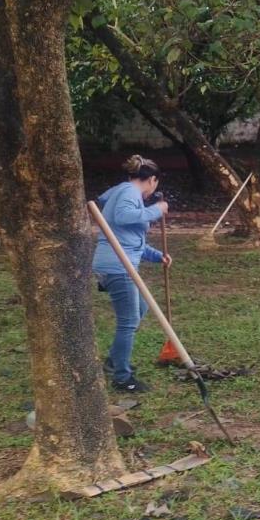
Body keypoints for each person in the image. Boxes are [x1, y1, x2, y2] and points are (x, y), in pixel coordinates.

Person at [92, 155, 171, 393]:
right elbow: (123, 218)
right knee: (128, 322)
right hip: (118, 266)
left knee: (140, 310)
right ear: (152, 180)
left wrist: (158, 256)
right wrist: (156, 210)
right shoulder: (129, 192)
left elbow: (130, 241)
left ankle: (114, 361)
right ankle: (122, 377)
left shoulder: (123, 192)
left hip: (116, 262)